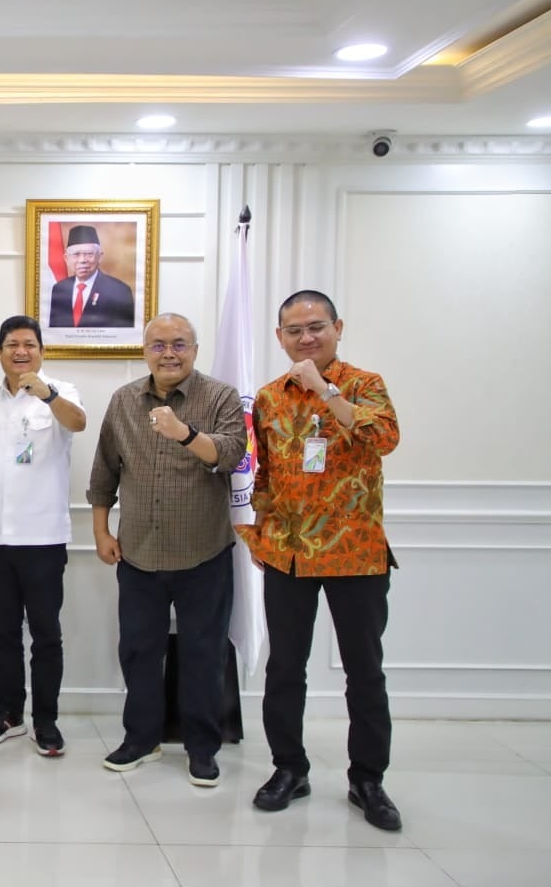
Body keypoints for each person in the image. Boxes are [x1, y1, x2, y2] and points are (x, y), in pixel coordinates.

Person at [237, 290, 402, 831]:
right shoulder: (267, 397)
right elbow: (262, 472)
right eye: (294, 330)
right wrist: (259, 530)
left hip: (356, 553)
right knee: (285, 669)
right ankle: (289, 768)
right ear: (280, 336)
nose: (306, 338)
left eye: (316, 327)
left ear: (338, 327)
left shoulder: (364, 384)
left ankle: (367, 779)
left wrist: (325, 390)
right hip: (288, 555)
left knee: (365, 672)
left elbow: (383, 439)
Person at [87, 313, 246, 787]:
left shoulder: (219, 397)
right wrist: (100, 531)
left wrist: (184, 433)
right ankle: (141, 739)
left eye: (179, 344)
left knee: (203, 653)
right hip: (138, 553)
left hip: (205, 553)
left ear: (195, 349)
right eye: (158, 345)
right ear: (144, 350)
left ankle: (202, 748)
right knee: (138, 651)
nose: (169, 353)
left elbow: (231, 454)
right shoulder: (123, 401)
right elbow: (103, 474)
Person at [0, 315, 86, 756]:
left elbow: (78, 423)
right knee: (2, 634)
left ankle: (46, 720)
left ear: (42, 351)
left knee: (46, 635)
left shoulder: (61, 393)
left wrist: (47, 393)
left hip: (43, 537)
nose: (21, 351)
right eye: (12, 344)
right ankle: (8, 713)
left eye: (29, 344)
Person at [47, 225, 135, 328]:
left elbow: (125, 335)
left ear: (100, 257)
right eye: (76, 254)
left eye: (89, 254)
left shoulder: (120, 291)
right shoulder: (59, 289)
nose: (82, 260)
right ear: (66, 259)